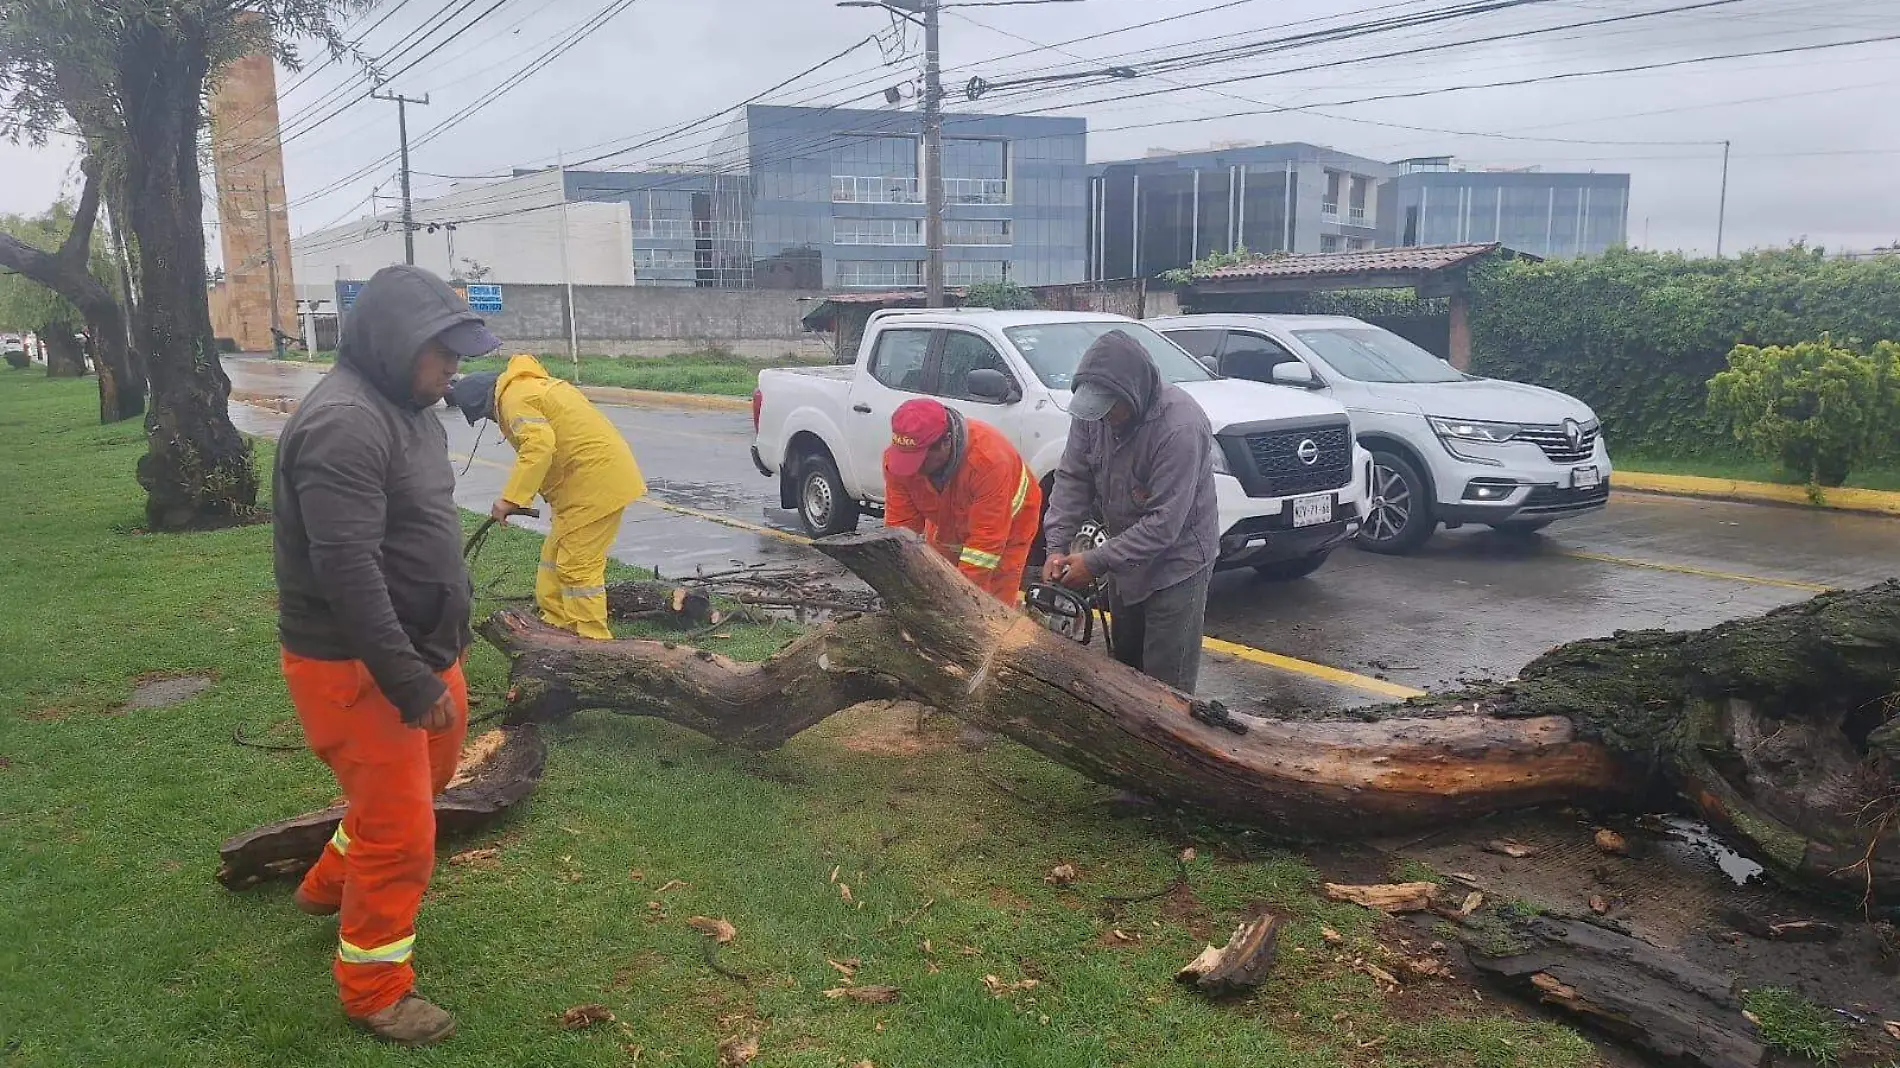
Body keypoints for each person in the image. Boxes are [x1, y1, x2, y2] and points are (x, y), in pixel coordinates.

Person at [273, 264, 501, 1045]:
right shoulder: (344, 422)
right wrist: (405, 677)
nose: (452, 372)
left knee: (419, 787)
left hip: (422, 653)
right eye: (442, 355)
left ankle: (326, 883)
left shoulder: (408, 405)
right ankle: (374, 987)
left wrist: (435, 650)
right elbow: (348, 570)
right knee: (403, 830)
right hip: (359, 667)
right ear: (396, 344)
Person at [1041, 329, 1220, 692]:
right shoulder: (1093, 415)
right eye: (1098, 411)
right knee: (1126, 673)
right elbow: (1073, 477)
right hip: (1127, 557)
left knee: (1166, 687)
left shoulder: (1180, 428)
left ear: (1134, 392)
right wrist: (1056, 547)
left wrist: (1094, 562)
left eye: (1111, 409)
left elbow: (1164, 525)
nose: (1104, 419)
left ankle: (1173, 748)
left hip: (1177, 563)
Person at [446, 353, 646, 639]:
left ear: (487, 405)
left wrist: (509, 500)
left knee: (577, 569)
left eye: (487, 417)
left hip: (595, 486)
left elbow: (538, 447)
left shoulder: (513, 400)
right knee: (551, 561)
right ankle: (556, 627)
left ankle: (593, 645)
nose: (492, 421)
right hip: (585, 485)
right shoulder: (525, 388)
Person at [884, 397, 1041, 603]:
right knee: (936, 584)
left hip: (1008, 527)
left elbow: (984, 546)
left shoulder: (989, 461)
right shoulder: (899, 463)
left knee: (991, 603)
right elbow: (901, 530)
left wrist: (961, 601)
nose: (913, 469)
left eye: (920, 459)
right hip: (949, 521)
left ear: (946, 442)